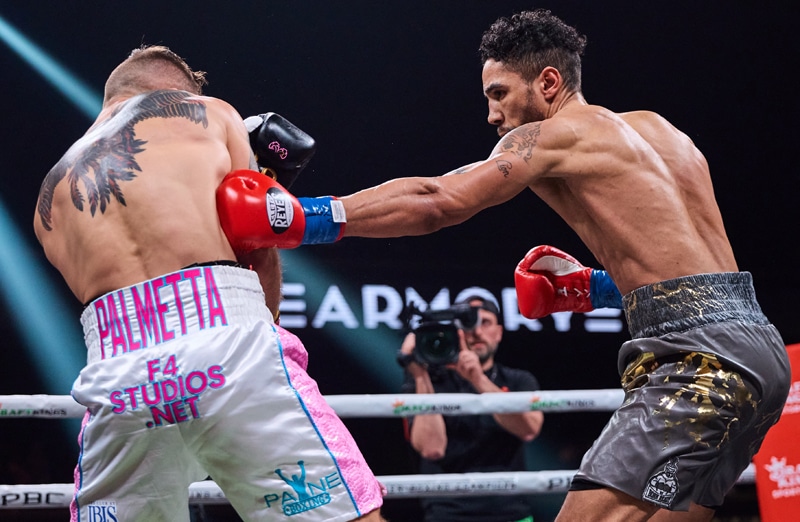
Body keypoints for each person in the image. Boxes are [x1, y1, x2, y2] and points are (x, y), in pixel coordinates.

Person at [217, 9, 792, 522]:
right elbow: (700, 279)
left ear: (547, 82)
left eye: (498, 93)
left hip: (697, 366)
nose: (491, 115)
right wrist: (593, 288)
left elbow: (438, 200)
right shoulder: (664, 132)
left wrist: (301, 217)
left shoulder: (553, 136)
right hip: (758, 357)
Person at [33, 45, 384, 522]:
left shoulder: (49, 197)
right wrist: (268, 181)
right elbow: (257, 241)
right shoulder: (210, 114)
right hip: (225, 343)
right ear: (179, 90)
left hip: (117, 376)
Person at [398, 295, 543, 522]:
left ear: (499, 332)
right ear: (456, 332)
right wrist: (420, 374)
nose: (476, 332)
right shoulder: (426, 383)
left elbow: (528, 429)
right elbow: (431, 448)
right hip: (447, 514)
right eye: (468, 323)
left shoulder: (519, 381)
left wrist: (478, 379)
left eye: (484, 322)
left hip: (510, 513)